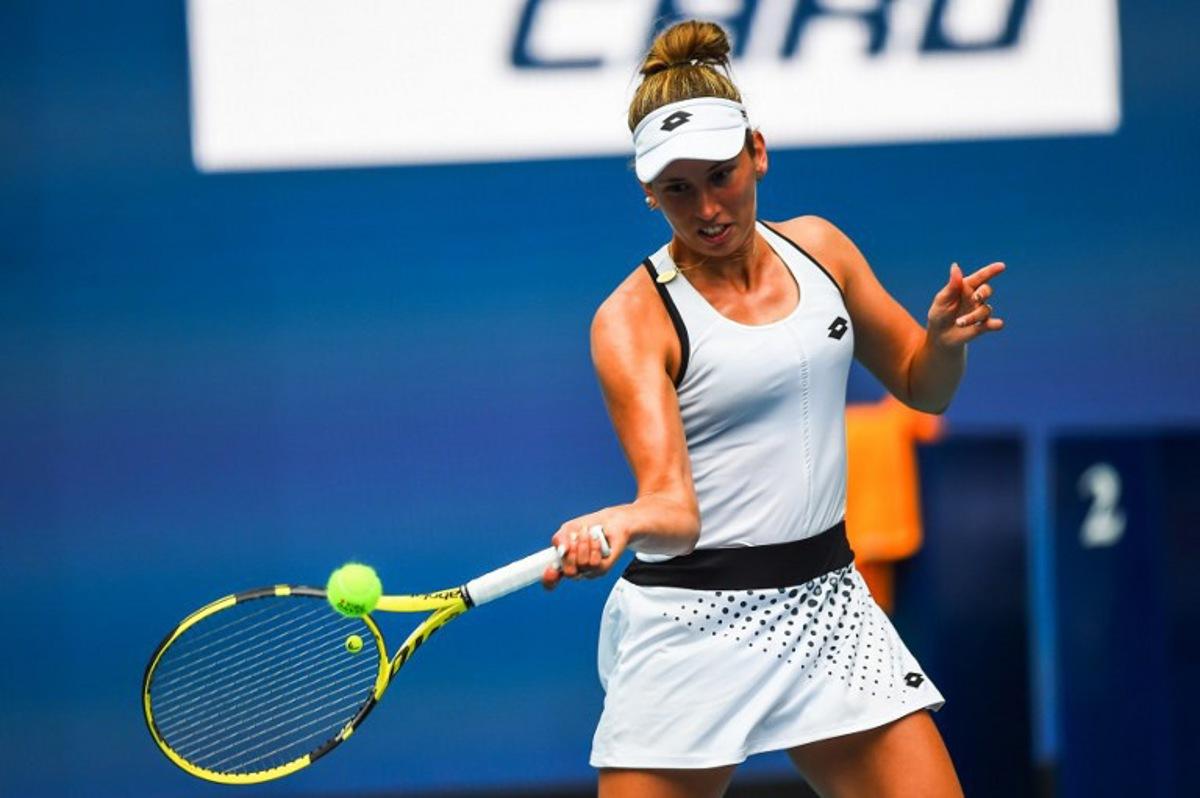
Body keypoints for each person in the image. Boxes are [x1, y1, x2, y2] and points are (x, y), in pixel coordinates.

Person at [541, 19, 1003, 798]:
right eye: (677, 189)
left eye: (721, 175)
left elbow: (925, 386)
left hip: (826, 605)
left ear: (757, 151)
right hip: (693, 623)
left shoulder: (823, 250)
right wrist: (622, 522)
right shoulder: (631, 320)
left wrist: (943, 341)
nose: (707, 208)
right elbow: (673, 512)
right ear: (648, 191)